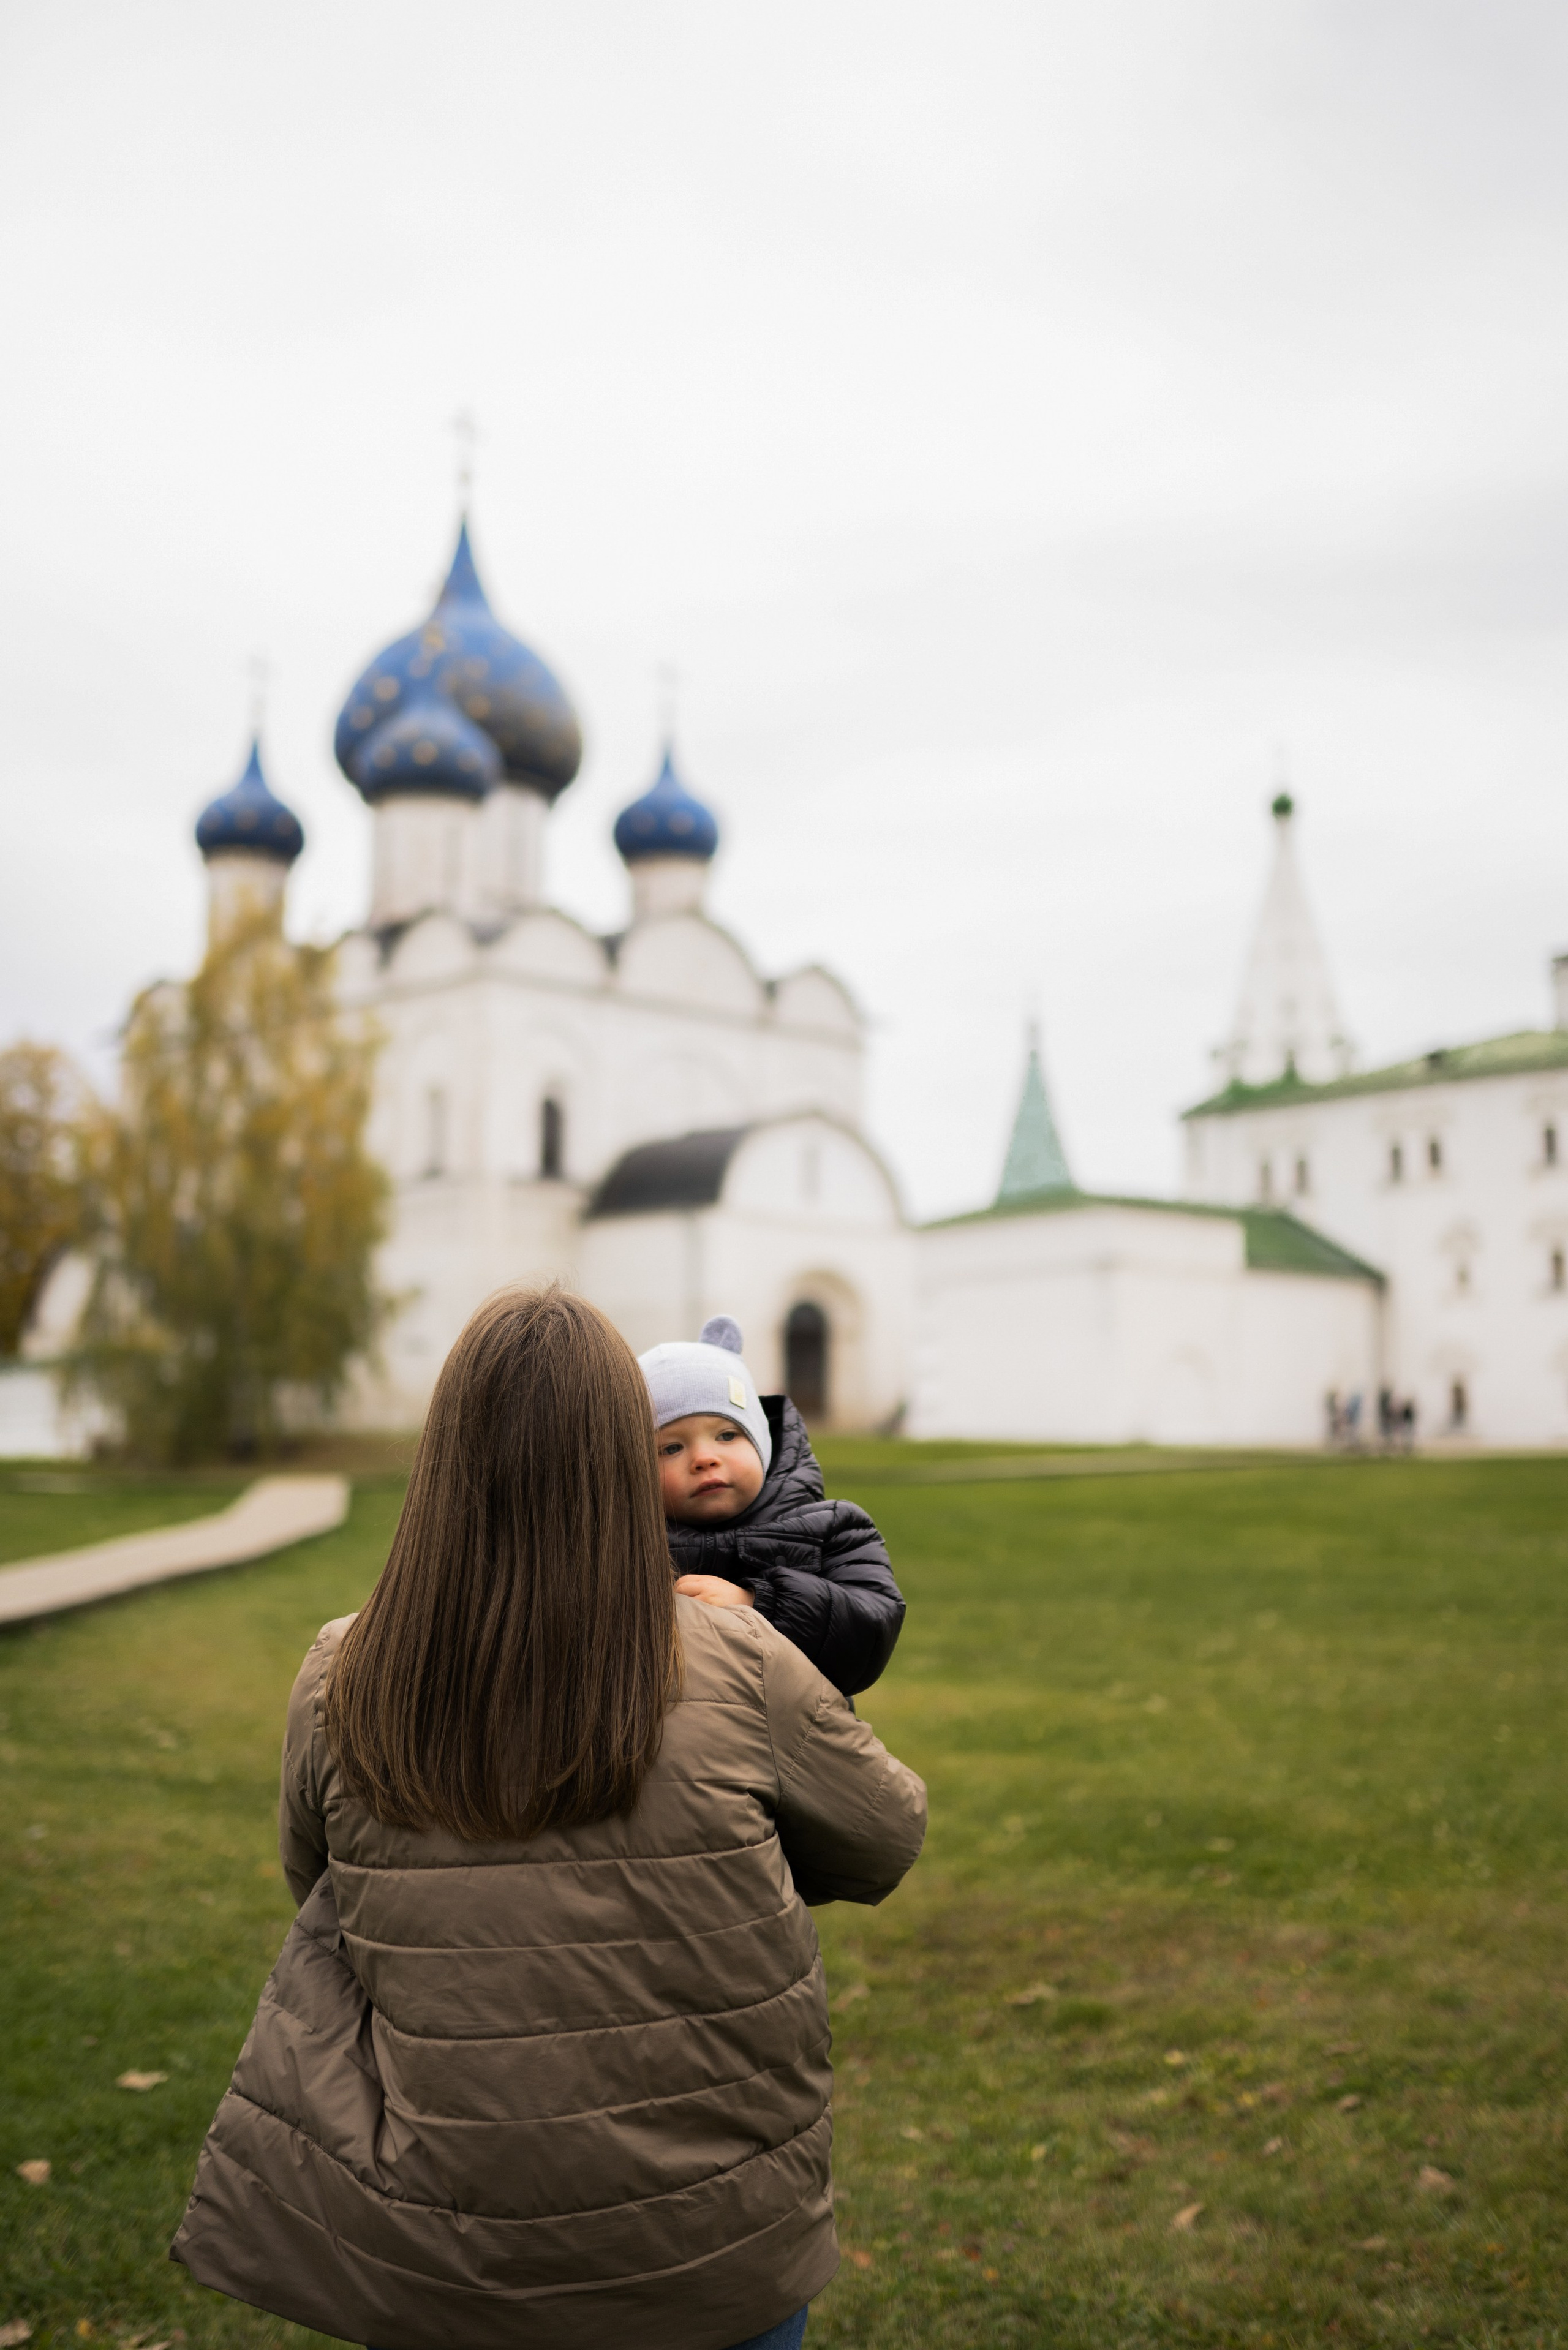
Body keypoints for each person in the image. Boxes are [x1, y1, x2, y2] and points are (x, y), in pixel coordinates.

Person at [170, 1287, 926, 2350]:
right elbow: (885, 1835)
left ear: (446, 1460)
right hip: (711, 2248)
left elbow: (318, 1878)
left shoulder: (348, 1668)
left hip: (444, 2248)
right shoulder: (735, 1652)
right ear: (621, 1459)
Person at [641, 1316, 905, 1698]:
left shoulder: (833, 1531)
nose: (704, 1458)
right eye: (671, 1448)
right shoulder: (626, 1547)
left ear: (761, 1440)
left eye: (727, 1434)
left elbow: (869, 1633)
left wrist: (760, 1604)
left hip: (795, 1746)